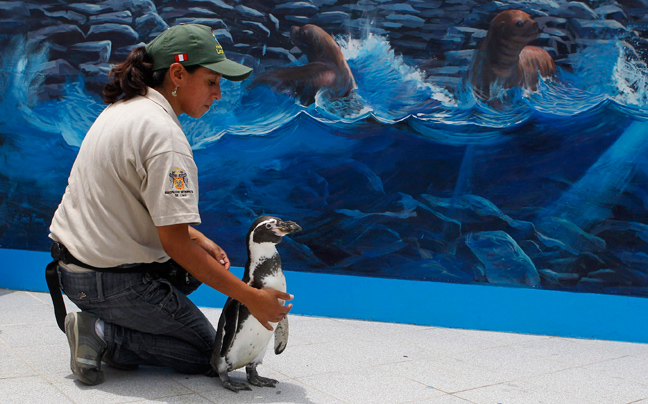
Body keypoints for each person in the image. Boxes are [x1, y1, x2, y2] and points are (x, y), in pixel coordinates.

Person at [48, 23, 293, 386]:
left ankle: (120, 320)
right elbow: (175, 245)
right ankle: (100, 331)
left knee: (196, 265)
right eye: (211, 81)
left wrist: (196, 237)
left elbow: (125, 202)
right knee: (211, 355)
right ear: (177, 74)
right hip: (106, 280)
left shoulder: (125, 108)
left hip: (74, 268)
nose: (218, 94)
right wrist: (252, 298)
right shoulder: (165, 138)